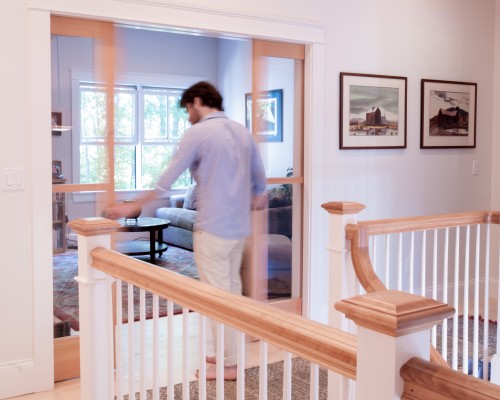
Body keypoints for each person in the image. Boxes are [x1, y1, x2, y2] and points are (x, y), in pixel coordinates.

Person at [104, 81, 267, 381]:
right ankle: (226, 354)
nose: (187, 116)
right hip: (239, 230)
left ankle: (229, 365)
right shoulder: (243, 133)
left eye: (187, 110)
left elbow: (168, 178)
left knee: (218, 299)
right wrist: (254, 196)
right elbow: (260, 182)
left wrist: (132, 206)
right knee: (230, 293)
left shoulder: (199, 133)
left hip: (213, 229)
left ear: (196, 102)